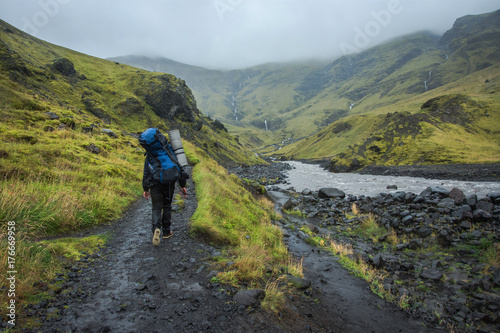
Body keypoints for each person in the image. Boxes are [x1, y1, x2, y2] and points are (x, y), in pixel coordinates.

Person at [142, 150, 188, 246]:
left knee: (156, 207)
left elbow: (146, 171)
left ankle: (156, 228)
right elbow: (179, 167)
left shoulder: (151, 153)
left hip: (154, 183)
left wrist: (145, 188)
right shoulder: (169, 152)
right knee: (167, 206)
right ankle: (166, 232)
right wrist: (182, 185)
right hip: (169, 183)